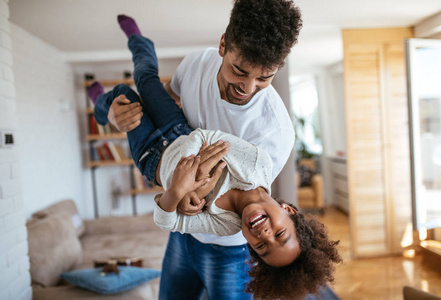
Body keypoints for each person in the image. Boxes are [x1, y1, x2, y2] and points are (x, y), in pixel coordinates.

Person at [88, 25, 341, 298]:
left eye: (262, 248)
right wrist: (188, 176)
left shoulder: (230, 223)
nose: (265, 235)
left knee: (124, 94)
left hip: (152, 161)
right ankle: (119, 79)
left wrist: (176, 192)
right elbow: (204, 135)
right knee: (139, 81)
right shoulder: (256, 165)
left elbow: (168, 220)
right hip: (177, 130)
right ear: (289, 211)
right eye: (279, 235)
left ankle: (105, 103)